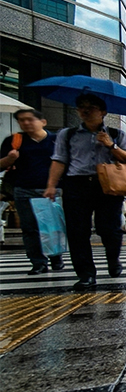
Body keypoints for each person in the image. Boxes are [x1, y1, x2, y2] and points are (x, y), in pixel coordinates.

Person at [43, 93, 126, 290]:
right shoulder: (67, 134)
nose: (85, 110)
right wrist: (51, 185)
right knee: (77, 231)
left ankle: (113, 259)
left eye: (91, 107)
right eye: (81, 107)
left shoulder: (117, 134)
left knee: (109, 229)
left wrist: (111, 145)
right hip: (76, 184)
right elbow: (59, 160)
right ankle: (86, 274)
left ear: (102, 112)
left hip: (108, 185)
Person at [0, 107, 65, 275]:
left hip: (52, 190)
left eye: (30, 119)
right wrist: (10, 159)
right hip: (24, 189)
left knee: (53, 226)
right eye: (21, 120)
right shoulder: (14, 141)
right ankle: (38, 262)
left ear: (43, 122)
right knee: (30, 228)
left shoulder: (56, 140)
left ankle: (56, 257)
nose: (26, 123)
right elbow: (1, 164)